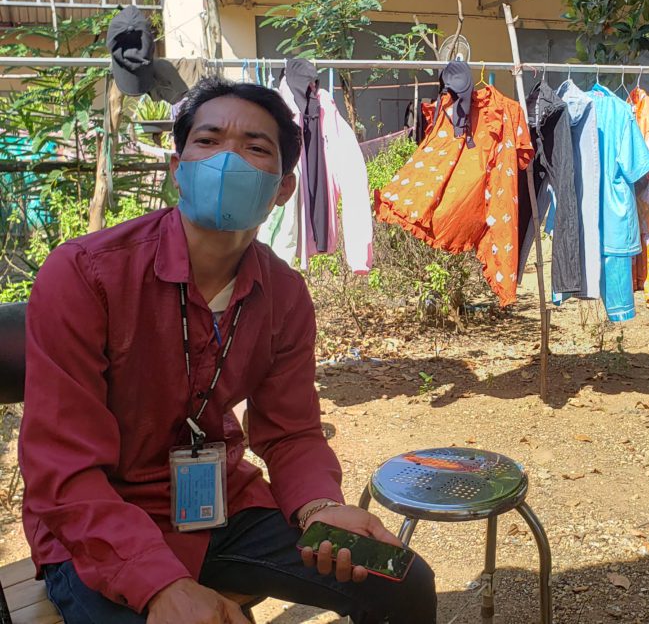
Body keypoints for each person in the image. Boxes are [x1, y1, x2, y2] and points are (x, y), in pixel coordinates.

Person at [18, 78, 437, 624]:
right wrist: (161, 585)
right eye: (208, 140)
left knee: (403, 582)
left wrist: (320, 508)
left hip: (222, 510)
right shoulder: (84, 275)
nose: (227, 159)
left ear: (283, 189)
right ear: (178, 168)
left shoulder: (284, 295)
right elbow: (64, 470)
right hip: (100, 526)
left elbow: (290, 432)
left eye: (255, 147)